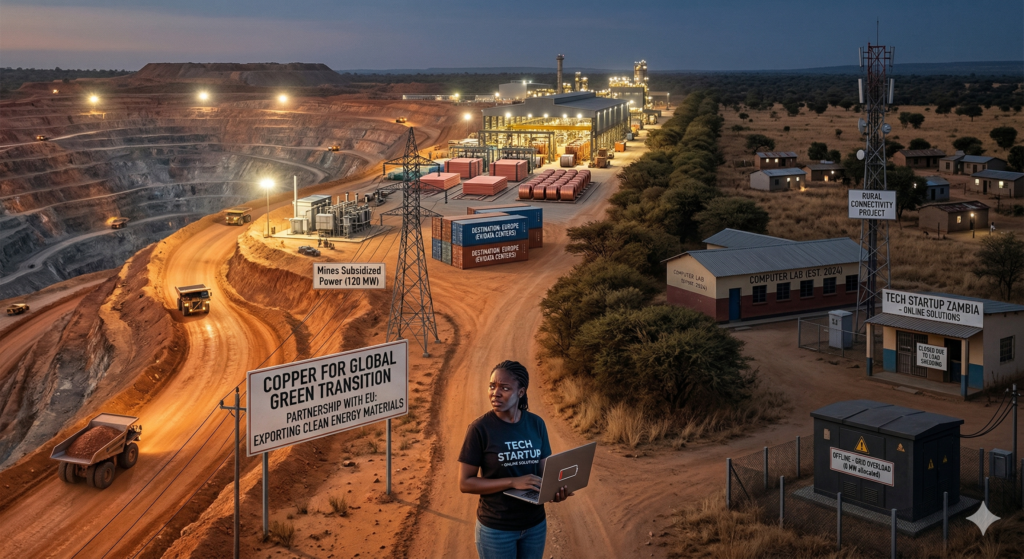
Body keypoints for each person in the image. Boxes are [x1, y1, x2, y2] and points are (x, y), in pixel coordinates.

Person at [458, 361, 571, 559]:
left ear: (521, 392)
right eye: (492, 386)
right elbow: (465, 483)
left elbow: (545, 471)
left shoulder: (536, 424)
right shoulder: (480, 429)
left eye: (505, 387)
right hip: (496, 529)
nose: (495, 392)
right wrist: (512, 482)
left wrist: (555, 490)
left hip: (535, 525)